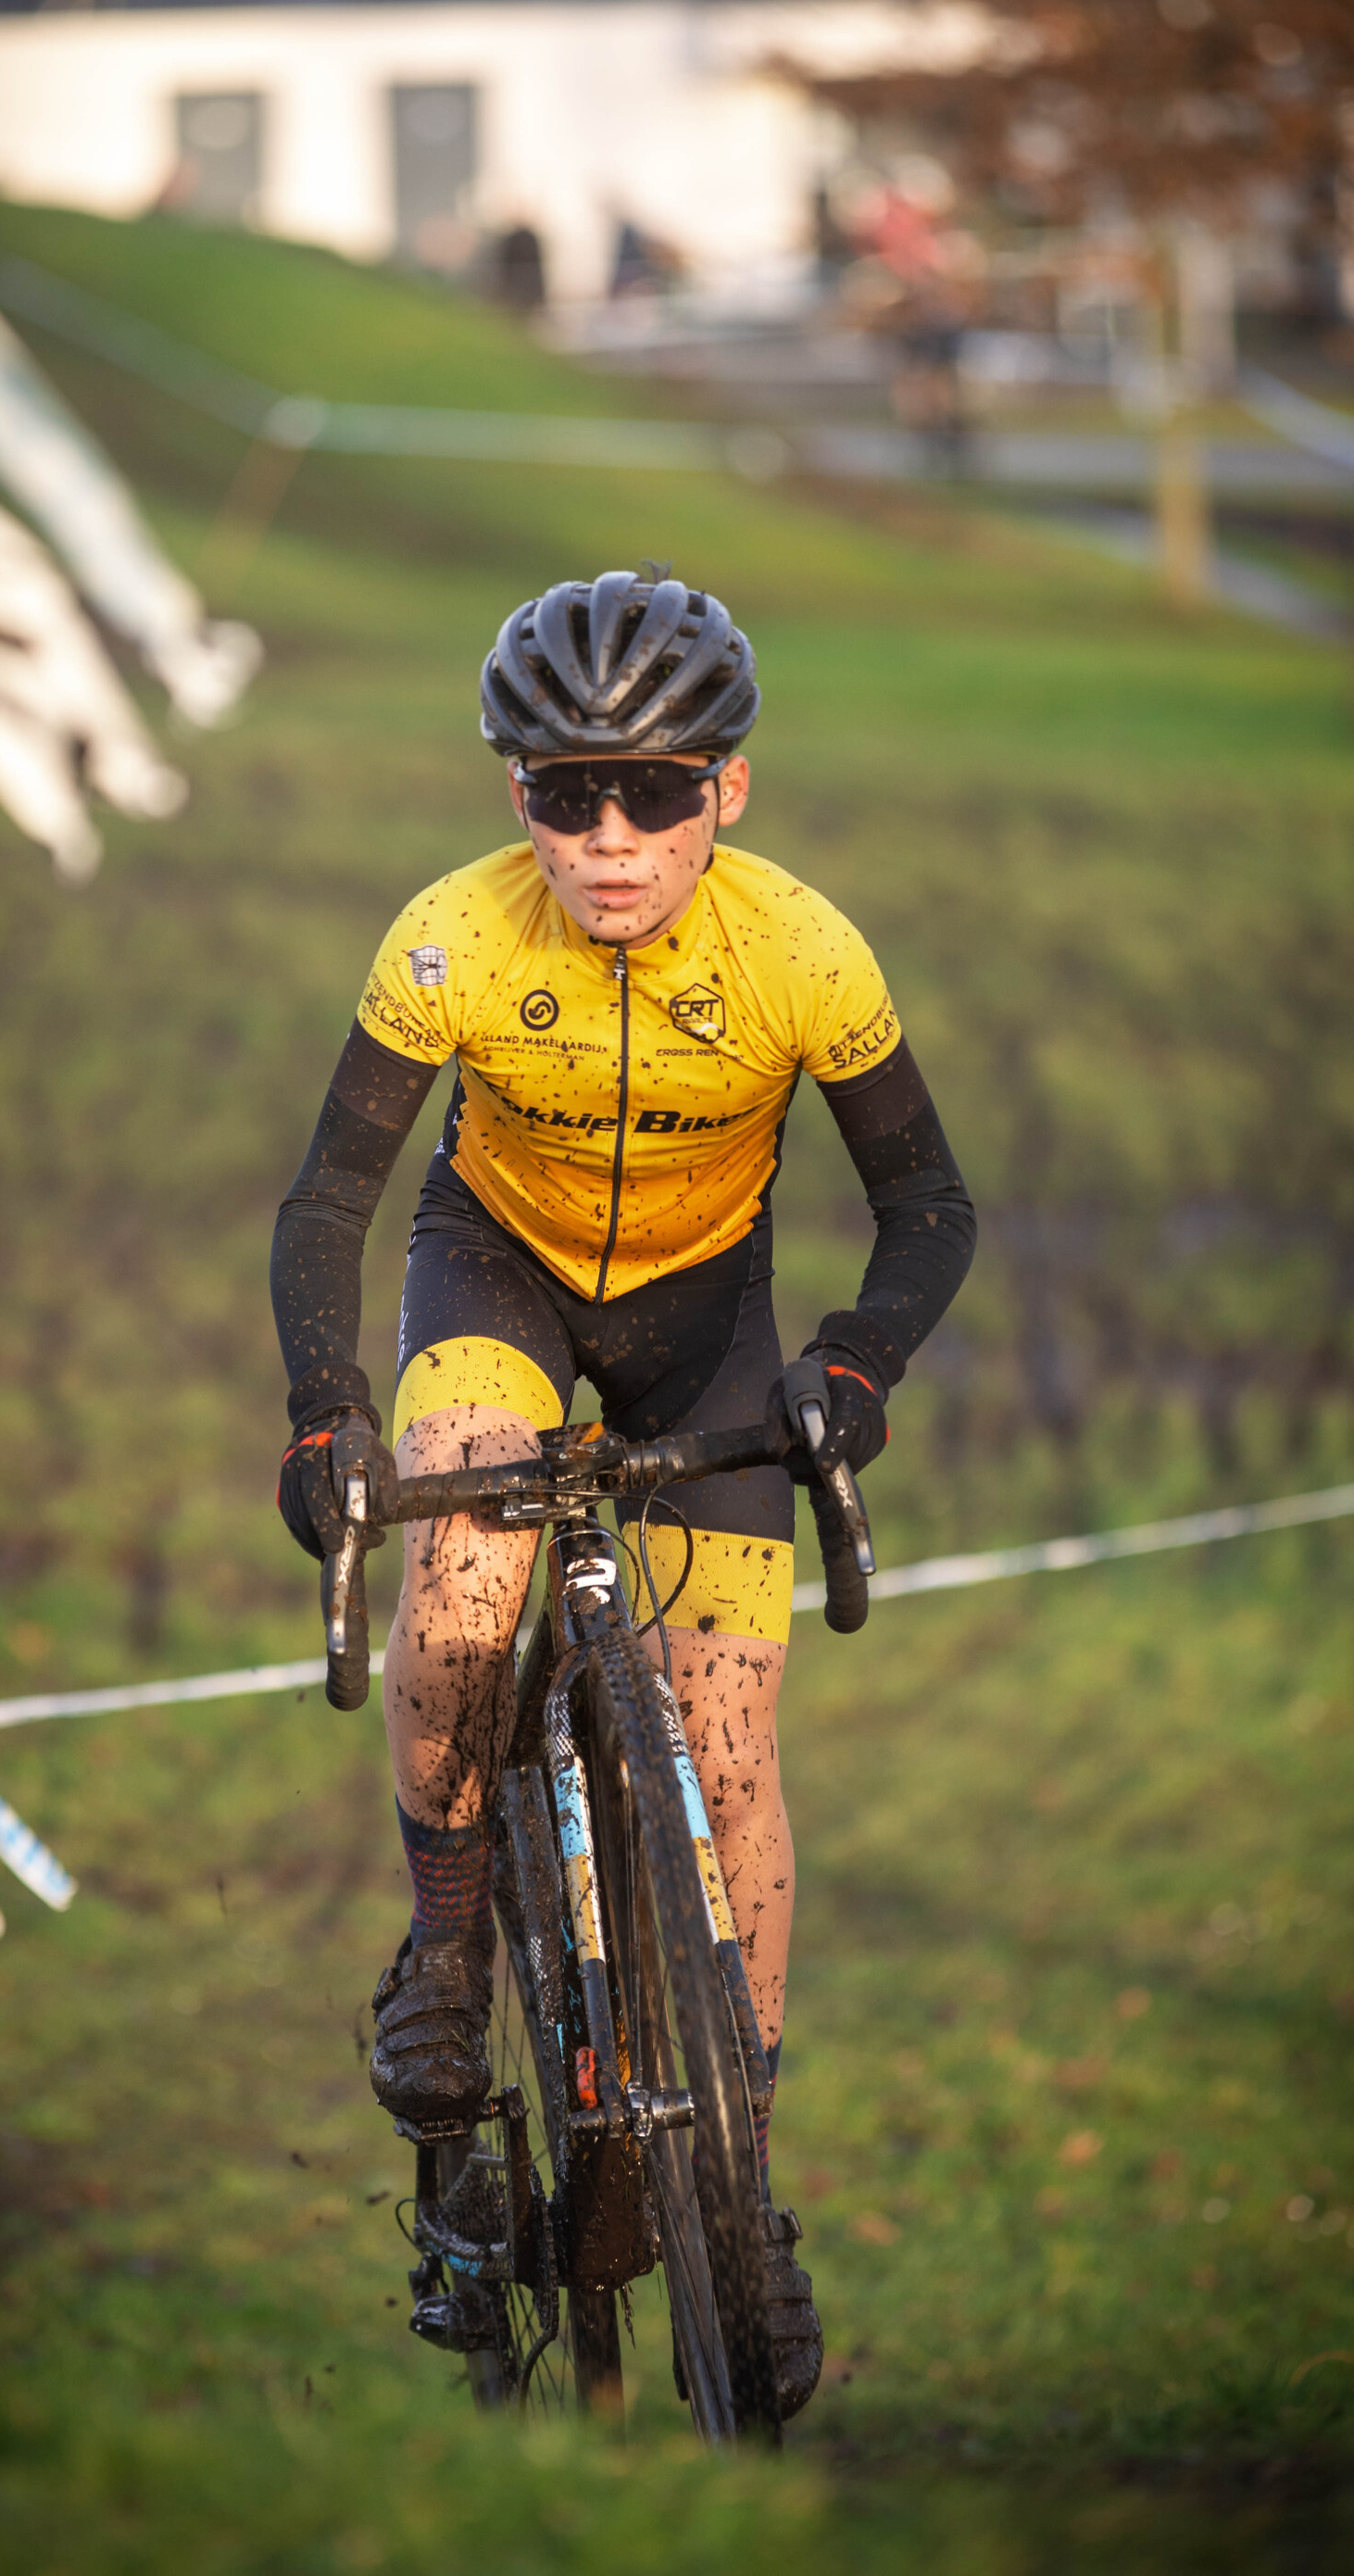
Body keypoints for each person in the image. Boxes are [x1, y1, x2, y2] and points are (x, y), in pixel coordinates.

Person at [270, 573, 975, 2417]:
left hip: (707, 1320)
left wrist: (848, 1370)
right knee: (460, 1586)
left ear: (722, 792)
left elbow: (930, 1209)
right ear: (515, 795)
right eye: (563, 792)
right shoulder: (444, 942)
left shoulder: (804, 953)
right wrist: (322, 1408)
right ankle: (440, 1958)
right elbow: (330, 1204)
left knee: (728, 1745)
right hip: (489, 1275)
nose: (606, 839)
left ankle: (734, 2187)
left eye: (652, 793)